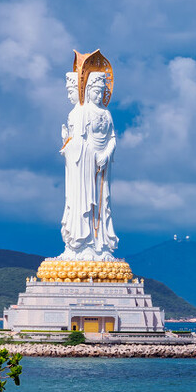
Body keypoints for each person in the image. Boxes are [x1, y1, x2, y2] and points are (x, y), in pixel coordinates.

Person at [59, 70, 118, 259]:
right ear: (87, 90)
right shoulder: (82, 112)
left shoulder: (107, 113)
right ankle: (82, 242)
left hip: (103, 166)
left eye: (102, 92)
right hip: (84, 165)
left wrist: (106, 155)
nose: (99, 95)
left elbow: (113, 138)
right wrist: (68, 144)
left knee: (103, 203)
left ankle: (100, 243)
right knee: (83, 200)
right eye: (95, 91)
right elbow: (78, 142)